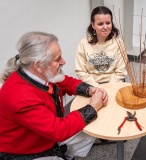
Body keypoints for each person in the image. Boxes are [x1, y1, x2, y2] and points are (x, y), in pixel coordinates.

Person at [0, 31, 108, 160]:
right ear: (38, 65)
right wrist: (93, 107)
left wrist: (90, 89)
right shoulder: (21, 98)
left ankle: (65, 155)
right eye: (57, 59)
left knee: (91, 128)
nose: (63, 62)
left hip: (46, 135)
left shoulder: (36, 73)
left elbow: (65, 82)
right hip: (24, 151)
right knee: (89, 118)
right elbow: (58, 130)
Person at [75, 6, 127, 86]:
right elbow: (80, 71)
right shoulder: (83, 44)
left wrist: (108, 87)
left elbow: (120, 71)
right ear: (93, 25)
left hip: (114, 83)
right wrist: (97, 87)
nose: (105, 27)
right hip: (92, 85)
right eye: (100, 24)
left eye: (108, 23)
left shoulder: (118, 42)